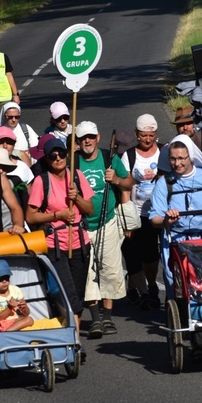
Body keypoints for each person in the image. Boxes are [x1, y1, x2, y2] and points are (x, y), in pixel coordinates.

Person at [149, 135, 202, 299]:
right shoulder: (164, 184)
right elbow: (155, 219)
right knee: (177, 282)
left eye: (182, 158)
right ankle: (180, 314)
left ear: (191, 156)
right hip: (177, 241)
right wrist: (166, 220)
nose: (177, 163)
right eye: (173, 159)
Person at [25, 138, 94, 344]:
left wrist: (77, 198)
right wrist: (58, 215)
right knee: (69, 294)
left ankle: (69, 335)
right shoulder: (41, 181)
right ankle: (75, 342)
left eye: (61, 154)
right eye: (52, 156)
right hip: (56, 246)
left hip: (80, 244)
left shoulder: (77, 177)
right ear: (46, 159)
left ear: (66, 154)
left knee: (78, 296)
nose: (58, 159)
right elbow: (31, 216)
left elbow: (90, 209)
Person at [74, 121, 132, 338]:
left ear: (98, 137)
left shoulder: (110, 158)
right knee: (88, 272)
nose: (87, 141)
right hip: (83, 226)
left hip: (107, 222)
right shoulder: (73, 163)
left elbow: (128, 183)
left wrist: (115, 179)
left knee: (110, 270)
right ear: (77, 142)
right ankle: (95, 319)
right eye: (82, 138)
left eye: (90, 136)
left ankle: (107, 318)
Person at [120, 114, 163, 309]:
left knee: (152, 255)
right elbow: (125, 188)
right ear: (137, 134)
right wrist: (128, 219)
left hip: (157, 213)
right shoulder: (129, 156)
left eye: (151, 135)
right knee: (133, 253)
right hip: (136, 213)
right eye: (143, 135)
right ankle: (141, 290)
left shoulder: (163, 152)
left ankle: (151, 284)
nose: (147, 139)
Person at [0, 259, 34, 332]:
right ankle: (6, 334)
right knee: (29, 320)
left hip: (18, 320)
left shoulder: (15, 290)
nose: (4, 281)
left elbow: (26, 313)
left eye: (6, 278)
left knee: (29, 319)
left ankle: (10, 332)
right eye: (0, 279)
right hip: (5, 323)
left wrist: (25, 308)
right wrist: (9, 308)